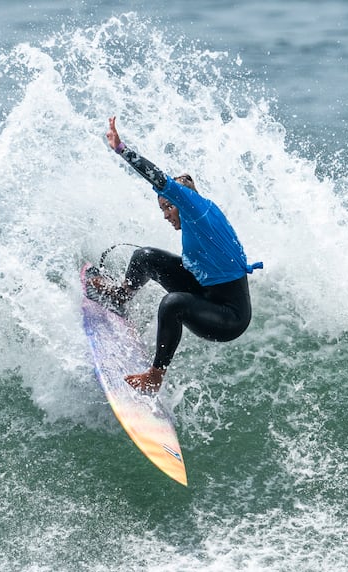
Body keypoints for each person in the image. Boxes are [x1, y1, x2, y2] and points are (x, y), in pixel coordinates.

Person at [88, 116, 261, 393]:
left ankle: (155, 377)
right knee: (145, 257)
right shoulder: (196, 217)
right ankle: (120, 297)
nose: (166, 215)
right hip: (206, 291)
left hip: (229, 318)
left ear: (183, 201)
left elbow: (156, 176)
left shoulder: (198, 210)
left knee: (173, 304)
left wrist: (121, 148)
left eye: (169, 207)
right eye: (162, 209)